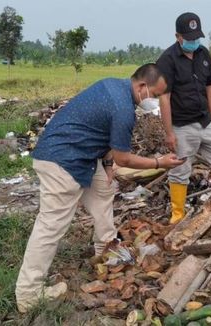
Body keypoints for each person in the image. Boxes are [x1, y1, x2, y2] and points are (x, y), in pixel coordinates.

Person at [15, 63, 185, 313]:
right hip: (61, 160)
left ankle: (106, 248)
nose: (156, 100)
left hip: (80, 155)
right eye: (156, 94)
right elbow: (124, 159)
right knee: (51, 225)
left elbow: (102, 130)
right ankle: (28, 294)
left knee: (105, 189)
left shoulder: (114, 86)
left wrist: (105, 164)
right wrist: (160, 162)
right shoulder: (123, 108)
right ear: (141, 86)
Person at [156, 12, 211, 224]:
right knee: (180, 170)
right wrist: (169, 133)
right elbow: (164, 98)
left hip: (205, 120)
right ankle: (177, 215)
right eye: (189, 38)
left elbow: (210, 86)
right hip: (182, 125)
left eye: (196, 37)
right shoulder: (167, 60)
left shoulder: (203, 54)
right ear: (178, 36)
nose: (194, 42)